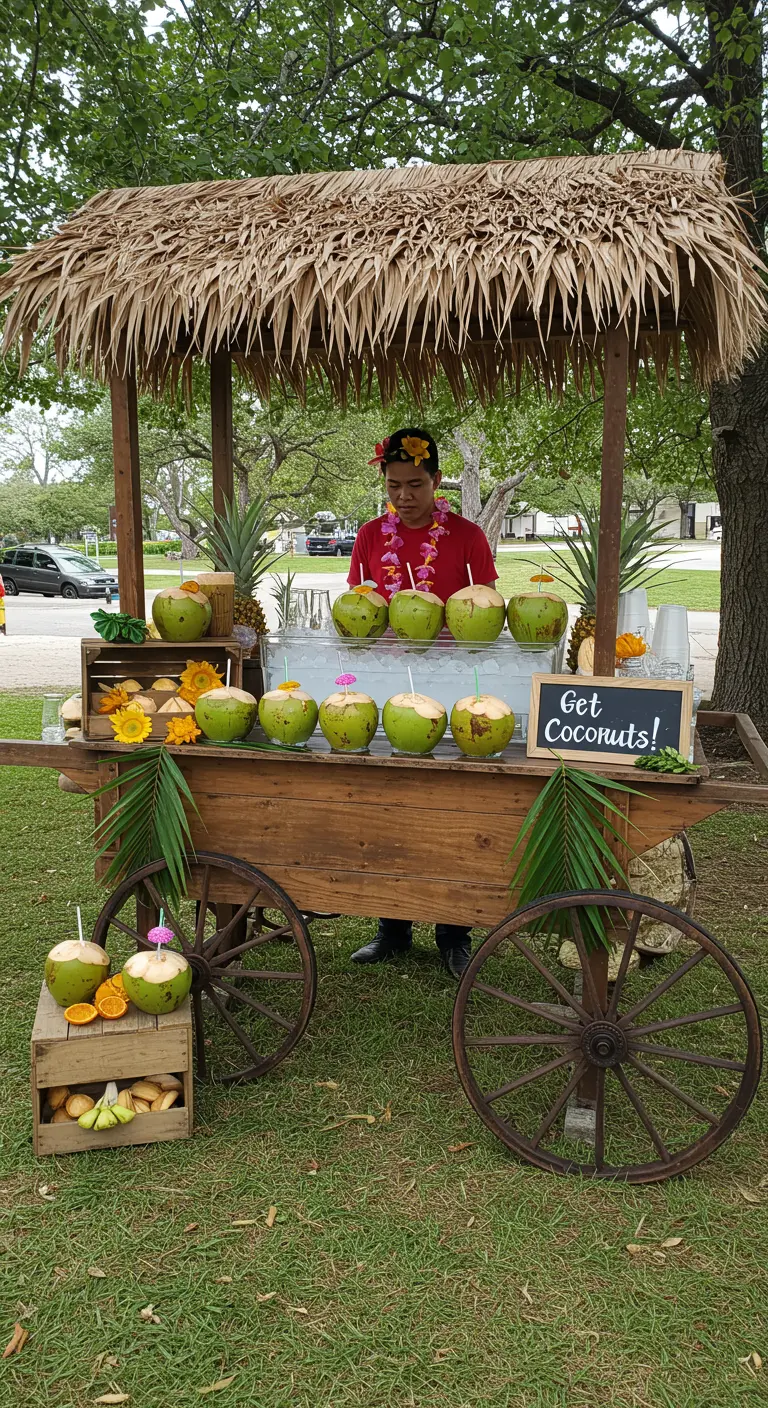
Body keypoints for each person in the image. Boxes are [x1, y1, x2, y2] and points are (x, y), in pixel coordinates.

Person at [348, 428, 498, 980]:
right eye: (394, 485)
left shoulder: (467, 535)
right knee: (389, 800)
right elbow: (359, 604)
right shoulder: (369, 536)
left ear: (437, 481)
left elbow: (488, 606)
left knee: (451, 803)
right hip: (389, 679)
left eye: (415, 484)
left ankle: (454, 933)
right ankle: (392, 927)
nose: (404, 496)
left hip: (456, 681)